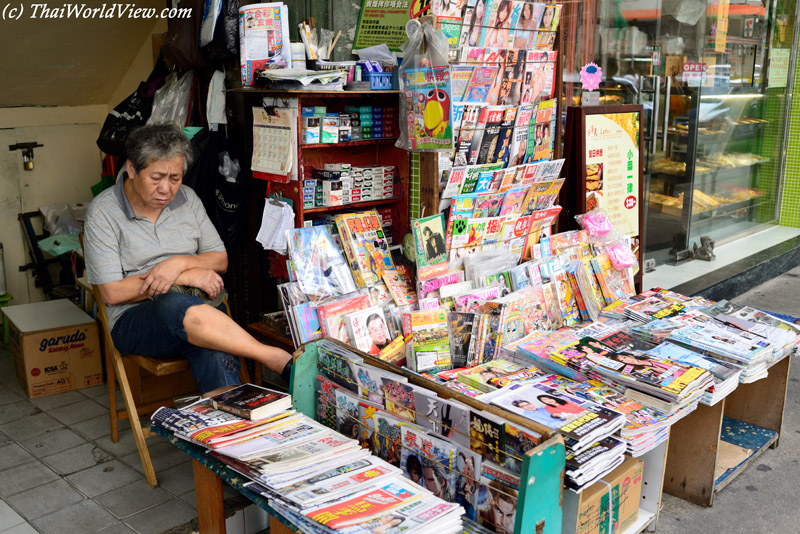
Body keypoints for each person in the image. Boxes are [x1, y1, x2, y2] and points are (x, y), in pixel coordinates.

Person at [84, 123, 293, 394]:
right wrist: (182, 277)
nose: (166, 189)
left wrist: (178, 264)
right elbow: (112, 293)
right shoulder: (104, 213)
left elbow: (220, 259)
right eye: (156, 177)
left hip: (198, 312)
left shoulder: (187, 199)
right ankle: (270, 356)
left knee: (212, 346)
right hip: (135, 320)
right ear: (133, 169)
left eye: (175, 178)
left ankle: (229, 428)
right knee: (174, 305)